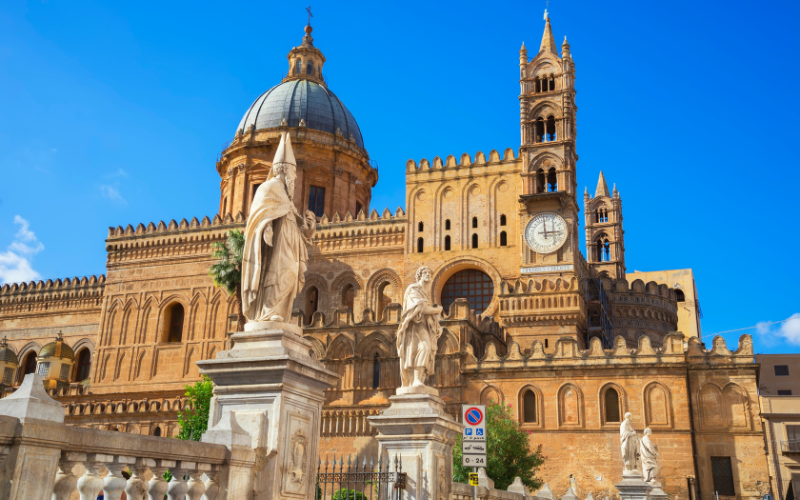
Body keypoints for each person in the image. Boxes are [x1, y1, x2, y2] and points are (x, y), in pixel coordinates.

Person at [241, 132, 316, 323]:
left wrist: (307, 231)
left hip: (290, 244)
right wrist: (266, 228)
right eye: (292, 173)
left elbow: (294, 223)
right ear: (283, 170)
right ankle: (268, 310)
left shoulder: (287, 197)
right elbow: (260, 214)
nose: (294, 178)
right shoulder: (269, 188)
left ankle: (280, 312)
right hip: (276, 245)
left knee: (289, 274)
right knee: (278, 273)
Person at [396, 266, 443, 391]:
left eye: (430, 273)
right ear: (419, 275)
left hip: (423, 325)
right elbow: (420, 307)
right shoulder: (413, 289)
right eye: (425, 272)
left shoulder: (423, 292)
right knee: (420, 348)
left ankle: (419, 379)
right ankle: (415, 380)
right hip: (413, 326)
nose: (428, 274)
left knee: (426, 349)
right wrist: (437, 310)